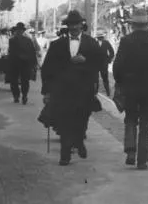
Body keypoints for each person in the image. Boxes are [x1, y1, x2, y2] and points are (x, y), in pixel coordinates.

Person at [40, 10, 102, 166]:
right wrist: (47, 91)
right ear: (67, 26)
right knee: (65, 122)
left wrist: (86, 62)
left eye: (77, 24)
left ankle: (79, 142)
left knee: (81, 122)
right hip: (62, 91)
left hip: (84, 91)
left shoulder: (91, 43)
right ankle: (65, 155)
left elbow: (100, 64)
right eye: (71, 25)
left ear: (82, 25)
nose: (74, 27)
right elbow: (47, 69)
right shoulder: (57, 45)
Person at [112, 11, 148, 170]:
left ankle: (131, 152)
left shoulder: (125, 41)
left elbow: (117, 67)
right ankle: (142, 160)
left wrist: (121, 80)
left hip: (130, 88)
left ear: (132, 26)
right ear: (147, 26)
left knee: (130, 119)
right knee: (145, 123)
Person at [7, 22, 38, 105]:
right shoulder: (12, 40)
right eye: (18, 30)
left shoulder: (27, 40)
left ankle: (24, 95)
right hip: (15, 62)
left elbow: (32, 51)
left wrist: (33, 63)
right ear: (16, 31)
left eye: (20, 30)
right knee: (14, 80)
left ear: (22, 31)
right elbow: (11, 51)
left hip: (25, 63)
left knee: (25, 80)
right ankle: (16, 96)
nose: (19, 31)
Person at [94, 31, 115, 96]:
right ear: (97, 37)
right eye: (99, 37)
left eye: (101, 37)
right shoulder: (94, 43)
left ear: (103, 37)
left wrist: (108, 60)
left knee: (105, 78)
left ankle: (108, 92)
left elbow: (112, 52)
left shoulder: (106, 43)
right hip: (96, 63)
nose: (100, 38)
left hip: (104, 63)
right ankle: (95, 93)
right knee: (95, 79)